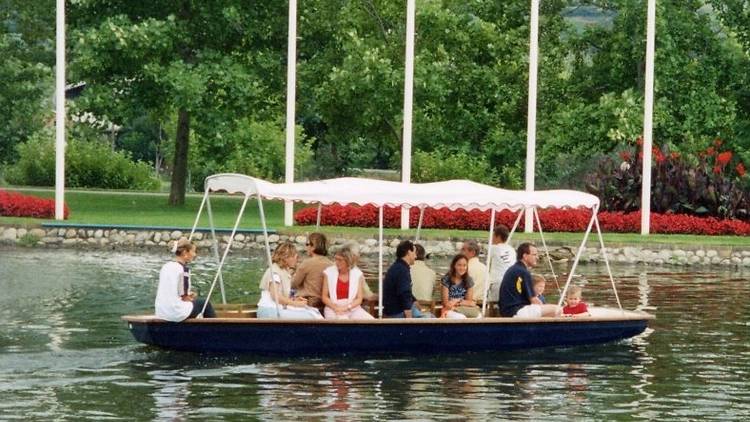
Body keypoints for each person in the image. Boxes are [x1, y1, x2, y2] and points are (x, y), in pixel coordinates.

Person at [256, 242, 323, 320]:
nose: (296, 259)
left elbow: (281, 294)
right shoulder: (275, 273)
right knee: (310, 317)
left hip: (274, 309)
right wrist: (295, 304)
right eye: (295, 257)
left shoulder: (282, 271)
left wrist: (294, 300)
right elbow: (275, 296)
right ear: (286, 258)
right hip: (269, 310)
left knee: (313, 311)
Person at [155, 237, 216, 321]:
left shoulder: (166, 266)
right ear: (185, 252)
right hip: (175, 312)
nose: (195, 255)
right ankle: (217, 330)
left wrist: (188, 295)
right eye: (193, 251)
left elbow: (171, 290)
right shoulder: (183, 270)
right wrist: (190, 297)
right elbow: (184, 297)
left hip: (161, 312)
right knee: (204, 303)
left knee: (195, 303)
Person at [498, 243, 559, 318]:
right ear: (525, 256)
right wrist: (544, 306)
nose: (537, 257)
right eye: (534, 255)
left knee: (546, 312)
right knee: (557, 310)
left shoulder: (514, 269)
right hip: (517, 311)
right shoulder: (523, 272)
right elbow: (534, 300)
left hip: (508, 311)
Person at [321, 244, 375, 319]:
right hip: (333, 308)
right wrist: (336, 308)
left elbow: (359, 298)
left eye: (340, 260)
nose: (336, 262)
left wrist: (347, 307)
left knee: (370, 321)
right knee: (342, 320)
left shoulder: (357, 274)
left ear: (348, 261)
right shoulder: (328, 273)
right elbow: (324, 297)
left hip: (352, 308)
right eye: (336, 259)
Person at [383, 240, 432, 318]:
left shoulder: (397, 267)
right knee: (431, 318)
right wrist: (408, 316)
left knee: (427, 315)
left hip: (392, 310)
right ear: (409, 252)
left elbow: (404, 290)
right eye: (414, 253)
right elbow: (404, 293)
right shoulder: (402, 270)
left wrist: (414, 300)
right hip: (397, 313)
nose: (416, 257)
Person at [291, 232, 332, 313]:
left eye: (307, 244)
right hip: (325, 303)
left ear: (313, 247)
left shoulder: (307, 263)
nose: (306, 247)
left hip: (307, 303)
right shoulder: (331, 264)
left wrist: (292, 269)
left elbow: (293, 284)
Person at [440, 254, 480, 319]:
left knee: (479, 316)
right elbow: (446, 304)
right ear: (454, 266)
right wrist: (462, 302)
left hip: (463, 309)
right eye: (459, 265)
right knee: (461, 317)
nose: (462, 268)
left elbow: (469, 302)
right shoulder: (446, 279)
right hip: (448, 310)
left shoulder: (468, 280)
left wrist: (457, 301)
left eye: (464, 265)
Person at [488, 225, 514, 302]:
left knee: (494, 305)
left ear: (498, 236)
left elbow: (487, 267)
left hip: (497, 283)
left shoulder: (493, 248)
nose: (492, 238)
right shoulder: (512, 250)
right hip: (511, 283)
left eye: (493, 235)